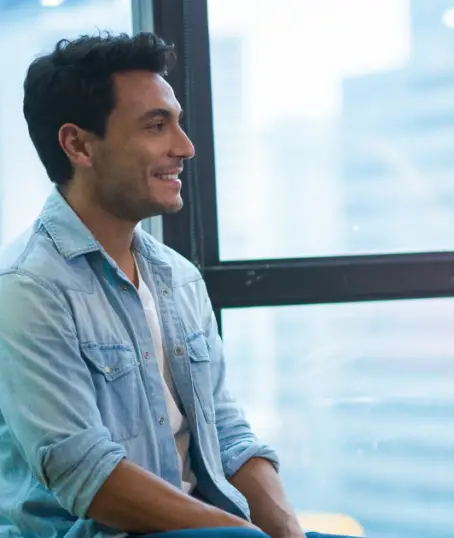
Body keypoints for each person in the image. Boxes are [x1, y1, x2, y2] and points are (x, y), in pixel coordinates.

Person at [0, 32, 352, 538]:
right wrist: (240, 534)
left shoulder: (178, 278)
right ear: (78, 145)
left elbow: (229, 438)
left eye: (178, 124)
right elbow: (89, 476)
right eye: (156, 126)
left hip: (214, 528)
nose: (184, 148)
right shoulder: (27, 288)